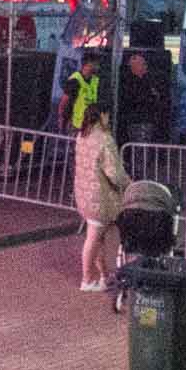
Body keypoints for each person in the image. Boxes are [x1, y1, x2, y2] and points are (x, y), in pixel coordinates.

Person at [73, 110, 129, 293]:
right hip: (101, 198)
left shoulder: (82, 136)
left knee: (99, 238)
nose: (109, 119)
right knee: (94, 239)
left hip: (85, 196)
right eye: (107, 116)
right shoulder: (105, 139)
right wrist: (129, 183)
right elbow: (114, 173)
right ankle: (87, 279)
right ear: (102, 116)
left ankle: (105, 276)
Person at [116, 51, 161, 149]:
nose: (146, 67)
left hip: (144, 121)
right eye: (143, 64)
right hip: (138, 122)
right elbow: (139, 100)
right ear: (135, 66)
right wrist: (152, 97)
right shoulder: (130, 83)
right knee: (140, 150)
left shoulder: (147, 80)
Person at [60, 50, 102, 132]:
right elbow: (64, 103)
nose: (98, 66)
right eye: (96, 63)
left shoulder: (95, 80)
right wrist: (64, 121)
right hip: (75, 126)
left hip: (89, 126)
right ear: (88, 64)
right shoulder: (75, 80)